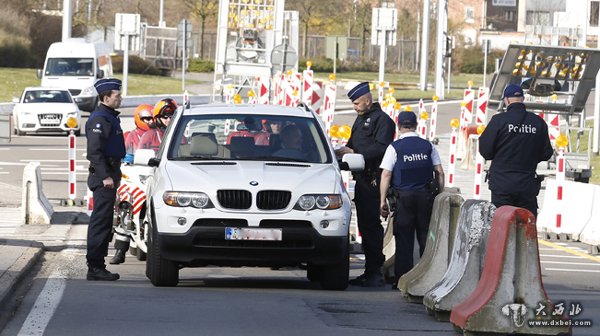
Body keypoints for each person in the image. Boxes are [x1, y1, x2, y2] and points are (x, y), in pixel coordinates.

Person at [335, 82, 395, 287]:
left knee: (371, 227)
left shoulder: (383, 121)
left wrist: (356, 154)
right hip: (361, 179)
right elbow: (353, 144)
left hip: (373, 180)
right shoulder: (360, 120)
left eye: (358, 103)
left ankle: (375, 271)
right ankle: (369, 270)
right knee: (365, 226)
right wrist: (341, 153)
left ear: (368, 100)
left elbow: (382, 149)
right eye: (353, 104)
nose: (355, 107)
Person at [379, 111, 445, 289]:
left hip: (403, 198)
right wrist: (439, 193)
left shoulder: (395, 147)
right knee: (425, 237)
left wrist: (382, 201)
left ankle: (403, 279)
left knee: (404, 239)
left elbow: (386, 174)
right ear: (416, 125)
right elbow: (439, 172)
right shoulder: (428, 146)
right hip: (425, 197)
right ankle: (427, 278)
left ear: (399, 126)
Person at [479, 84, 553, 217]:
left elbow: (485, 151)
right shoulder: (538, 122)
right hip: (527, 184)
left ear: (506, 100)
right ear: (523, 98)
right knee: (526, 227)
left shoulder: (499, 121)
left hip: (502, 184)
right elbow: (547, 153)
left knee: (502, 226)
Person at [85, 78, 126, 281]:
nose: (120, 98)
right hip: (104, 178)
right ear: (106, 97)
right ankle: (95, 267)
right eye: (117, 96)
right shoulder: (99, 119)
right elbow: (94, 152)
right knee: (100, 223)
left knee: (104, 222)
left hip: (110, 175)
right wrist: (106, 176)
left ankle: (97, 266)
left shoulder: (109, 117)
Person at [108, 103, 154, 265]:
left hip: (153, 174)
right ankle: (120, 250)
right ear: (138, 118)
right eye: (145, 118)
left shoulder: (162, 134)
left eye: (151, 117)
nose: (149, 121)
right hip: (136, 174)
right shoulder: (131, 135)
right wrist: (127, 159)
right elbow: (124, 154)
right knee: (125, 207)